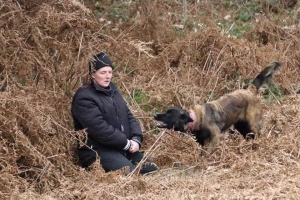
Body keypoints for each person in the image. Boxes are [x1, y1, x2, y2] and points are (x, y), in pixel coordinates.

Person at [71, 52, 157, 175]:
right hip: (97, 151)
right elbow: (99, 129)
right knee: (129, 173)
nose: (107, 76)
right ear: (92, 74)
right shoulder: (84, 97)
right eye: (103, 72)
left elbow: (129, 116)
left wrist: (136, 139)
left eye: (110, 72)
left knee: (150, 169)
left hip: (121, 149)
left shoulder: (113, 91)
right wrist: (126, 144)